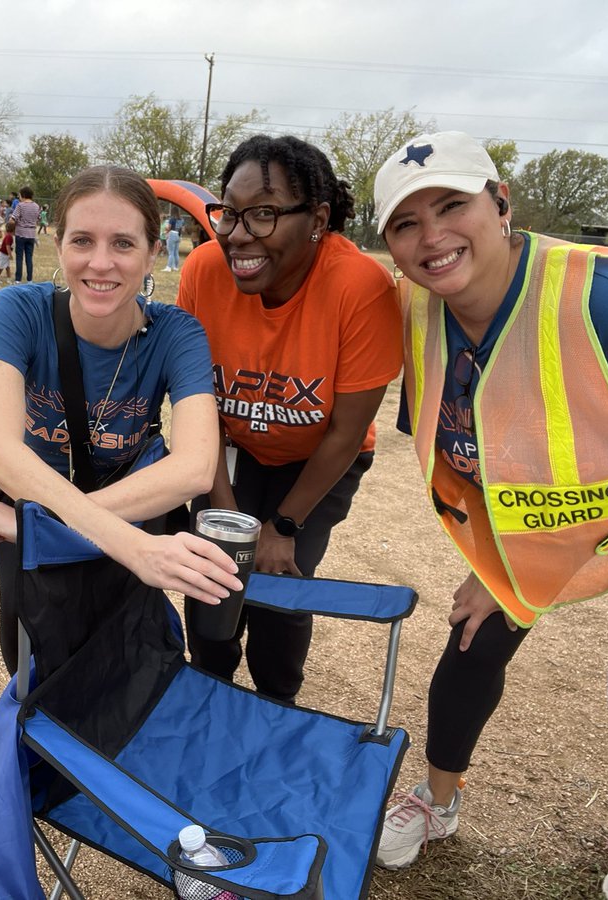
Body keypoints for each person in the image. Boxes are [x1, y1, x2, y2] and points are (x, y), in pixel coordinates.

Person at [370, 131, 608, 900]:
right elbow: (468, 451)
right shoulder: (421, 309)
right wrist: (491, 566)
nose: (432, 236)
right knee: (472, 640)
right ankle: (438, 800)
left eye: (452, 205)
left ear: (501, 204)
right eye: (406, 223)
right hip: (585, 504)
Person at [0, 164, 243, 672]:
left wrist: (40, 526)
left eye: (123, 244)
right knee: (30, 656)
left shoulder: (178, 335)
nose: (100, 263)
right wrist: (130, 545)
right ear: (57, 242)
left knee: (121, 655)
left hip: (83, 508)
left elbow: (196, 468)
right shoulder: (17, 311)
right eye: (83, 240)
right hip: (49, 511)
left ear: (155, 252)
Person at [176, 134, 403, 703]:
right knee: (212, 575)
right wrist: (225, 512)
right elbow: (196, 408)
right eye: (230, 213)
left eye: (264, 215)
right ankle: (209, 688)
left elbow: (346, 432)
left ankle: (279, 702)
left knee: (279, 583)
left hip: (318, 457)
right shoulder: (205, 270)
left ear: (318, 219)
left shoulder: (360, 288)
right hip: (229, 447)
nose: (237, 234)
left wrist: (282, 528)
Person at [9, 185, 41, 283]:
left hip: (21, 233)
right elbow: (38, 219)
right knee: (29, 257)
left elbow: (12, 219)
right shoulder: (36, 206)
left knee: (19, 257)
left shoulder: (20, 205)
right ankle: (29, 279)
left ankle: (18, 279)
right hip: (31, 234)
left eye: (19, 196)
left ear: (23, 195)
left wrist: (12, 224)